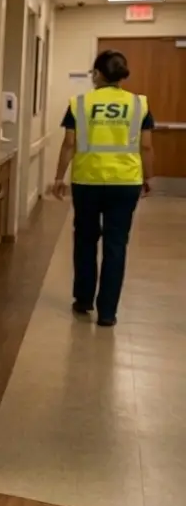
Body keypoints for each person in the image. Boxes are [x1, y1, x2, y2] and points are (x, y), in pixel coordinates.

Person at [50, 49, 155, 327]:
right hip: (125, 182)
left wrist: (59, 177)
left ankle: (83, 300)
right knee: (116, 245)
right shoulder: (139, 104)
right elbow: (146, 146)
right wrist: (148, 176)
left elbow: (69, 144)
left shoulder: (79, 103)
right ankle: (107, 312)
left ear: (97, 74)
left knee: (85, 241)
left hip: (87, 181)